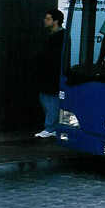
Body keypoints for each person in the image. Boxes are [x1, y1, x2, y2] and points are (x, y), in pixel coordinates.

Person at [35, 9, 65, 138]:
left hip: (53, 73)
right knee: (45, 98)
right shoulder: (51, 35)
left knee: (51, 100)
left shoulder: (61, 36)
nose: (45, 21)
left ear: (55, 21)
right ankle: (51, 126)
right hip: (46, 73)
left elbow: (56, 57)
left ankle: (51, 127)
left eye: (48, 19)